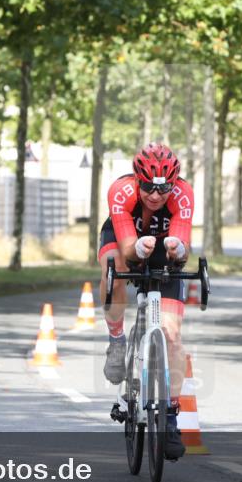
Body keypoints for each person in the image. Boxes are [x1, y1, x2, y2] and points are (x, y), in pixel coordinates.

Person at [97, 142, 193, 461]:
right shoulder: (121, 192)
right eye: (149, 187)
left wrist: (177, 250)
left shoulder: (182, 194)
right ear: (138, 179)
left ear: (173, 183)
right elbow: (126, 247)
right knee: (115, 264)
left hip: (163, 241)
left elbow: (183, 249)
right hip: (124, 235)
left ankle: (169, 415)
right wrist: (137, 250)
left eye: (163, 188)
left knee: (173, 334)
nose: (155, 194)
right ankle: (117, 341)